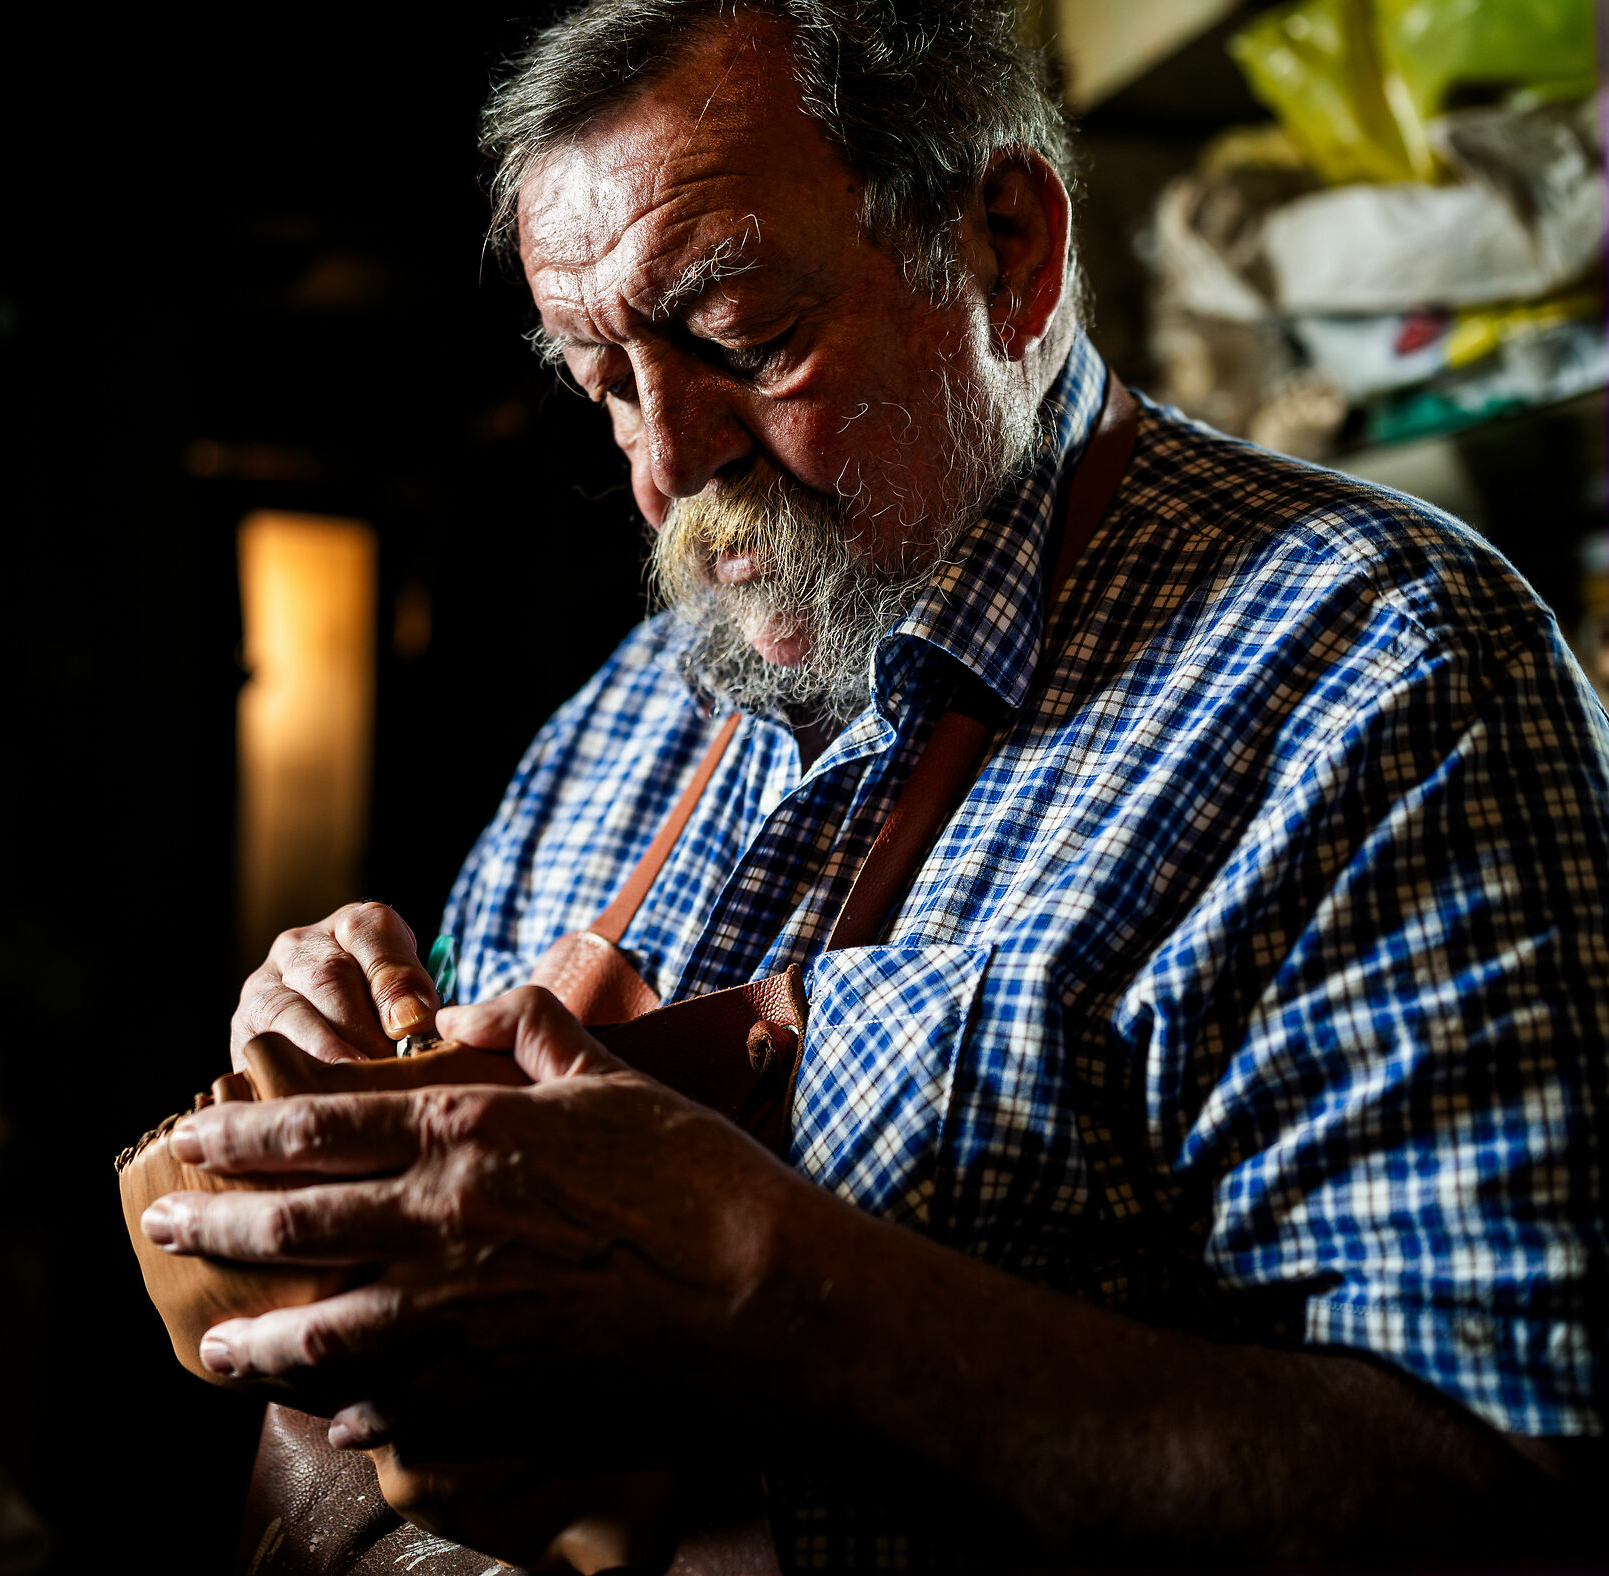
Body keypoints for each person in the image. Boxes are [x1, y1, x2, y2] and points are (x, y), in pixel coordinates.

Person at [141, 1, 1608, 1565]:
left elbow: (1516, 1492)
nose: (668, 466)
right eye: (608, 384)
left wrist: (766, 1291)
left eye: (745, 338)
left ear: (1007, 248)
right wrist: (356, 1109)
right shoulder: (615, 722)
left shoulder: (1385, 672)